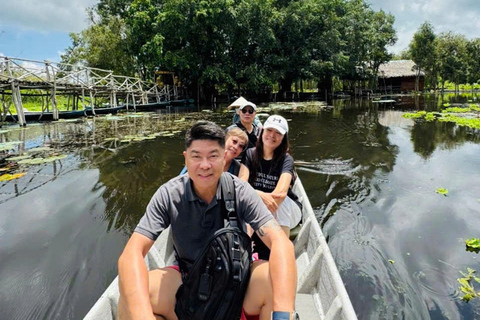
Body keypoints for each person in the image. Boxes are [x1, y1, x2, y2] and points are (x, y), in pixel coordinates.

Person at [117, 121, 297, 320]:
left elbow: (281, 242)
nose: (204, 165)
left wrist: (283, 313)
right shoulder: (169, 194)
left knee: (273, 280)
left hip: (237, 278)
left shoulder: (241, 191)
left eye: (213, 156)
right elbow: (131, 254)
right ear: (186, 159)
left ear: (223, 158)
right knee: (130, 298)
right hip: (190, 279)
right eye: (196, 156)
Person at [240, 115, 302, 260]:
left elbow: (280, 194)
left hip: (286, 211)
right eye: (269, 130)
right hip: (259, 207)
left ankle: (281, 251)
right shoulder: (250, 154)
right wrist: (259, 195)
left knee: (283, 201)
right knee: (246, 202)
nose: (272, 135)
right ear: (262, 131)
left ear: (283, 137)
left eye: (278, 133)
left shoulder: (286, 160)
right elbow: (241, 185)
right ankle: (245, 248)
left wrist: (254, 197)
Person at [179, 127, 249, 177]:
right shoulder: (201, 160)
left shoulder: (239, 169)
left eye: (241, 146)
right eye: (234, 141)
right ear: (225, 140)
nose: (236, 147)